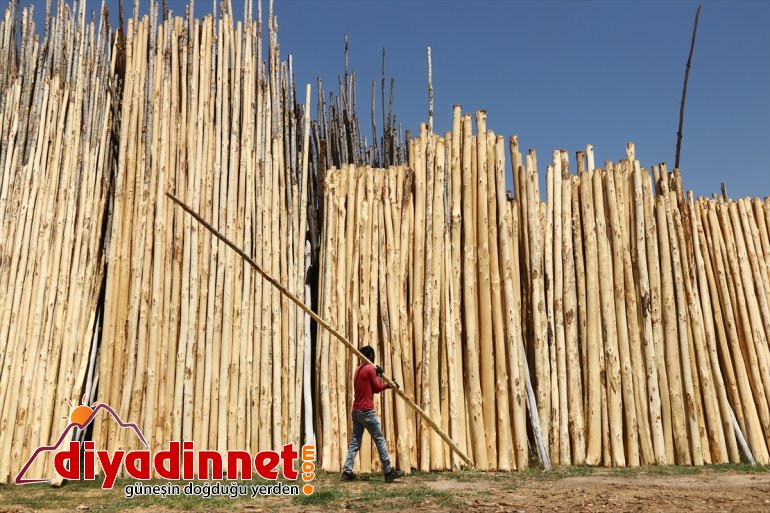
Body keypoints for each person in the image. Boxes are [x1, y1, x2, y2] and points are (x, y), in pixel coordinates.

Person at [341, 345, 405, 483]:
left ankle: (347, 471)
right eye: (373, 355)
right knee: (379, 439)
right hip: (366, 411)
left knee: (355, 442)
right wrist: (389, 385)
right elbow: (376, 388)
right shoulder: (370, 368)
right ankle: (388, 471)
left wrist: (379, 375)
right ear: (370, 355)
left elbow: (367, 385)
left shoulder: (358, 369)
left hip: (356, 411)